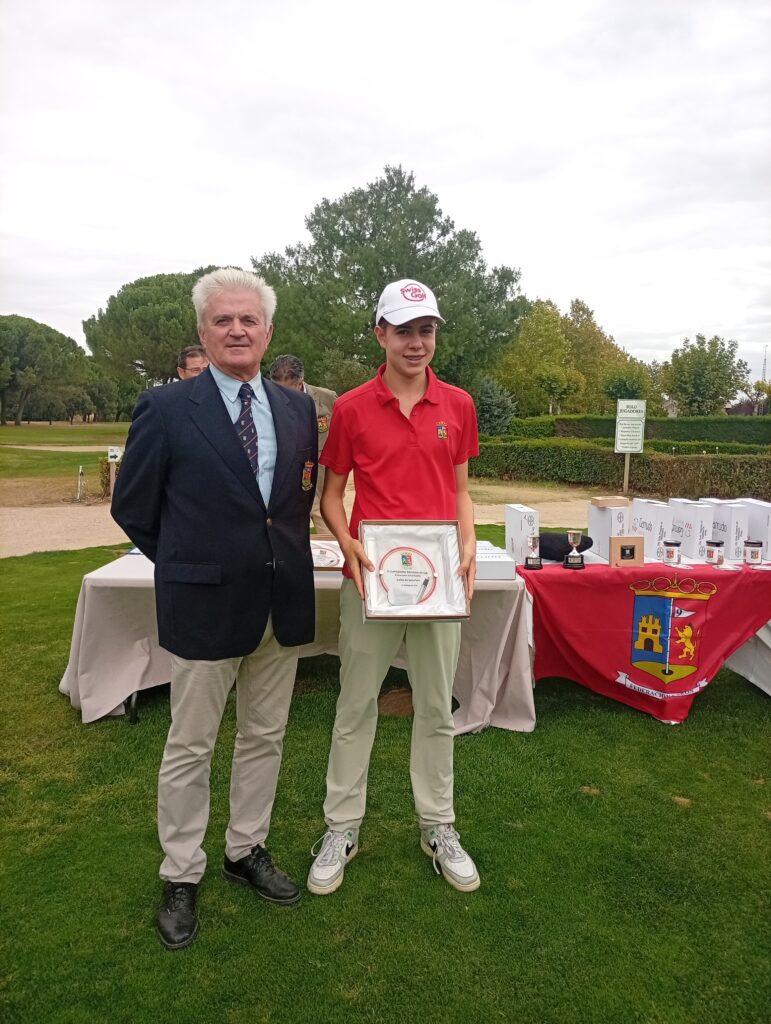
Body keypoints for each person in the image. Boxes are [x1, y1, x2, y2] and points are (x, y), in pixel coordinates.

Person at [111, 267, 318, 949]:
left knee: (264, 735)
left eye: (248, 319)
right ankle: (181, 870)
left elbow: (289, 505)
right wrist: (187, 563)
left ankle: (244, 849)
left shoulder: (296, 411)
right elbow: (133, 506)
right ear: (203, 331)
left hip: (280, 601)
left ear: (268, 331)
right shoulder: (166, 407)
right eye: (222, 320)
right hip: (203, 605)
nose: (236, 330)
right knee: (190, 744)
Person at [307, 278, 480, 896]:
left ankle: (438, 825)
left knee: (436, 708)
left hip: (438, 584)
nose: (416, 342)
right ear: (380, 333)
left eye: (426, 330)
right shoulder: (352, 408)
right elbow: (331, 496)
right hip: (371, 580)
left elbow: (461, 490)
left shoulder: (458, 404)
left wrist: (467, 540)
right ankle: (341, 827)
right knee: (355, 705)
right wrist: (346, 540)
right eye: (404, 330)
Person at [269, 354, 338, 537]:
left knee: (324, 520)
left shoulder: (327, 397)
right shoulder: (266, 400)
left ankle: (332, 552)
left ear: (300, 383)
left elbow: (342, 430)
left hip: (322, 474)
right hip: (287, 473)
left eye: (287, 391)